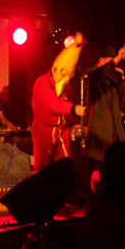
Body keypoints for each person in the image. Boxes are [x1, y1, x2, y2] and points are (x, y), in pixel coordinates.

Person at [82, 43, 125, 202]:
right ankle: (97, 201)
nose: (112, 66)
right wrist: (116, 59)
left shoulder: (111, 78)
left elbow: (123, 98)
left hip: (115, 129)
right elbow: (102, 73)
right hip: (100, 131)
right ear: (101, 61)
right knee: (99, 171)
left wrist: (122, 80)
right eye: (110, 62)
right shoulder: (93, 74)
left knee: (117, 169)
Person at [31, 37, 86, 171]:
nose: (72, 74)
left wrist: (75, 124)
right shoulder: (43, 82)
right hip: (44, 132)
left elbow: (66, 109)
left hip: (61, 132)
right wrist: (73, 109)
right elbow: (53, 104)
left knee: (65, 165)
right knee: (43, 169)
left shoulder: (66, 87)